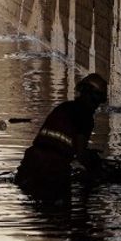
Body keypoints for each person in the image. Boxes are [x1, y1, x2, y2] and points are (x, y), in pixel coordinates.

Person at [15, 72, 108, 200]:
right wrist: (96, 167)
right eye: (98, 101)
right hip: (52, 169)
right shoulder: (85, 117)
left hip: (31, 161)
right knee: (59, 215)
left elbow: (57, 142)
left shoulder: (63, 107)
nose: (97, 106)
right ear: (93, 97)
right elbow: (81, 155)